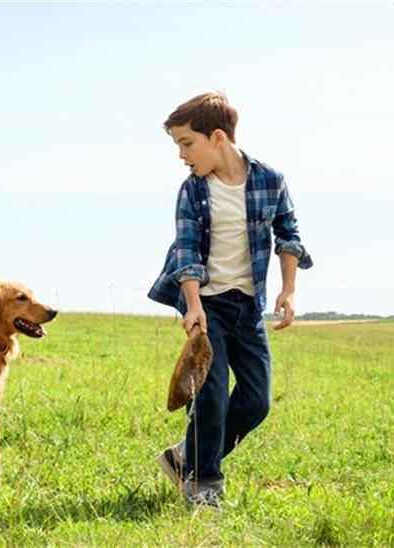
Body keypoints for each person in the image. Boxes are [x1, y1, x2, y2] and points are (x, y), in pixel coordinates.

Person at [148, 91, 312, 510]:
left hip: (248, 304)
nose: (183, 155)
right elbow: (185, 249)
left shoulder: (269, 180)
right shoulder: (193, 190)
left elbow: (289, 235)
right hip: (207, 302)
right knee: (212, 394)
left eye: (187, 144)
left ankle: (186, 455)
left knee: (256, 402)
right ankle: (205, 487)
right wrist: (193, 306)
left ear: (217, 136)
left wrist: (288, 289)